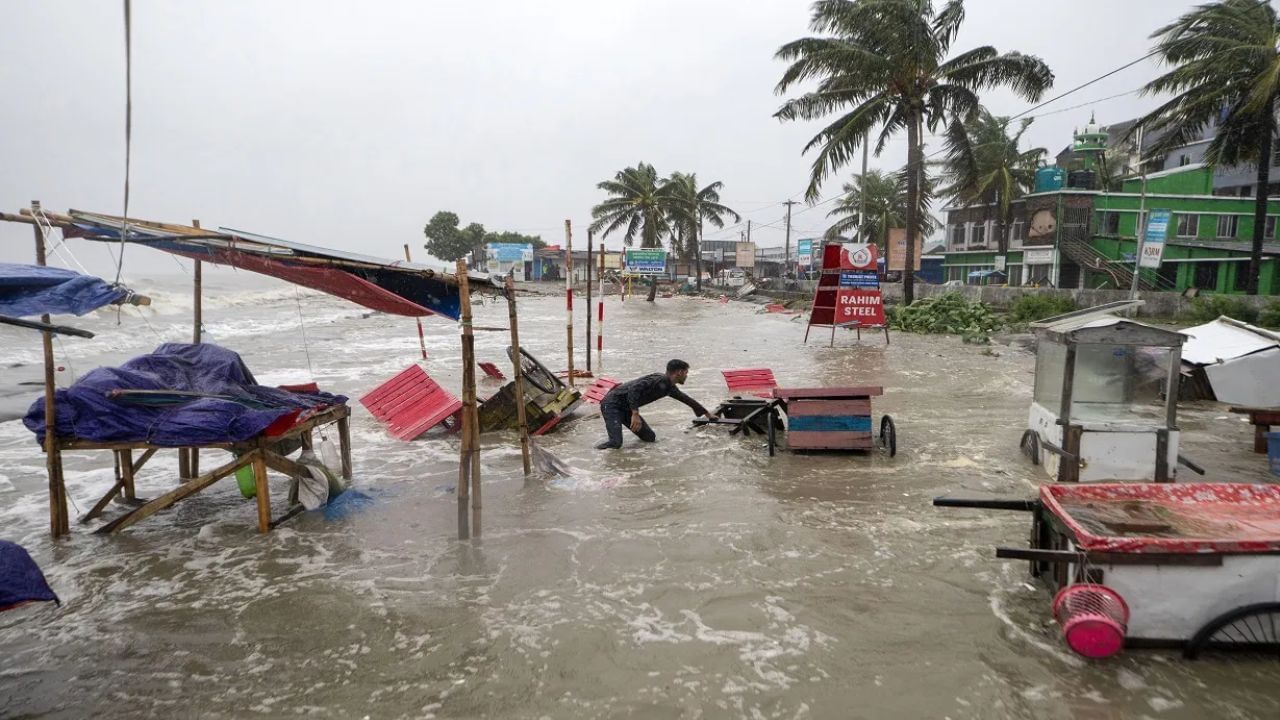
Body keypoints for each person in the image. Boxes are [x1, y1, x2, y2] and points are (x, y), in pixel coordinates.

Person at [596, 359, 714, 449]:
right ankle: (594, 455)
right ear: (679, 372)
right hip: (612, 404)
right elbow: (633, 389)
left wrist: (707, 414)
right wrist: (635, 414)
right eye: (686, 373)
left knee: (649, 438)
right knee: (616, 443)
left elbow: (686, 399)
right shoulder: (658, 380)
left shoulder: (669, 388)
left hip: (626, 408)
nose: (686, 376)